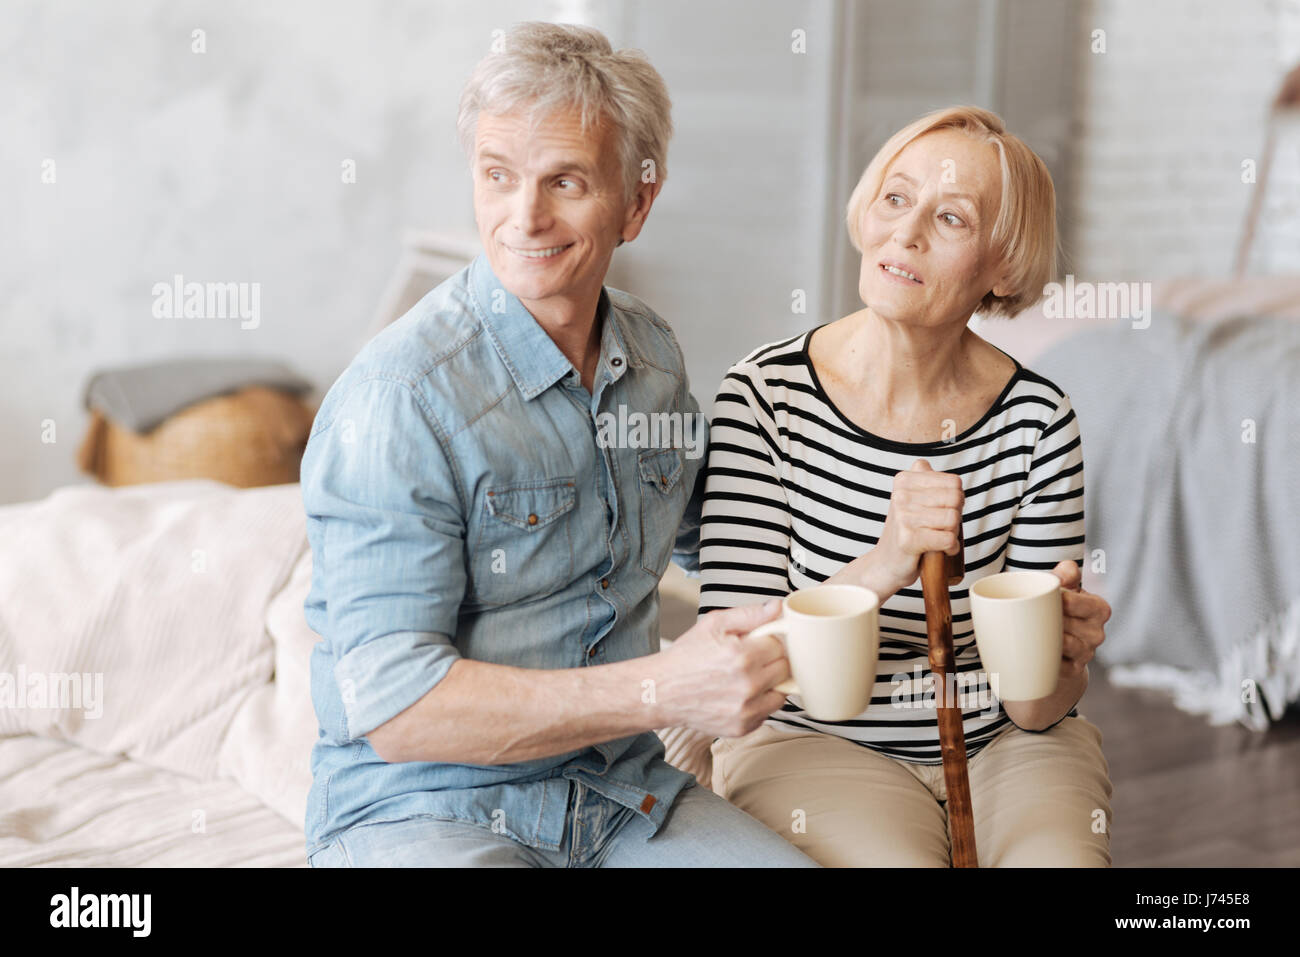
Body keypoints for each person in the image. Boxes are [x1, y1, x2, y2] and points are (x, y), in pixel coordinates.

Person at [300, 21, 816, 868]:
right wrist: (663, 685)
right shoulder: (397, 399)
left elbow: (726, 537)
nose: (524, 216)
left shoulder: (651, 359)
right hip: (425, 808)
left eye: (565, 181)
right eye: (497, 176)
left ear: (636, 204)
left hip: (619, 797)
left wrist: (905, 553)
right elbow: (394, 706)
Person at [700, 106, 1115, 867]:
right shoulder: (764, 395)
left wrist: (1063, 660)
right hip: (816, 742)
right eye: (896, 198)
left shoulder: (1039, 419)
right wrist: (887, 560)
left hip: (1006, 743)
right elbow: (737, 663)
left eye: (951, 216)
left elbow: (1034, 706)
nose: (908, 231)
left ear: (1004, 265)